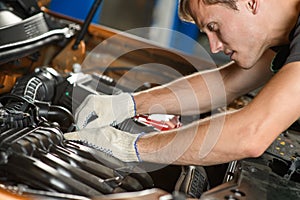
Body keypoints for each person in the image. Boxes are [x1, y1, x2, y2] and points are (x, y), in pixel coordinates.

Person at [65, 0, 300, 166]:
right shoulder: (284, 34)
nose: (215, 46)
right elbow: (225, 83)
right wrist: (127, 104)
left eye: (214, 27)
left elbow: (251, 134)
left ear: (251, 2)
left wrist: (131, 146)